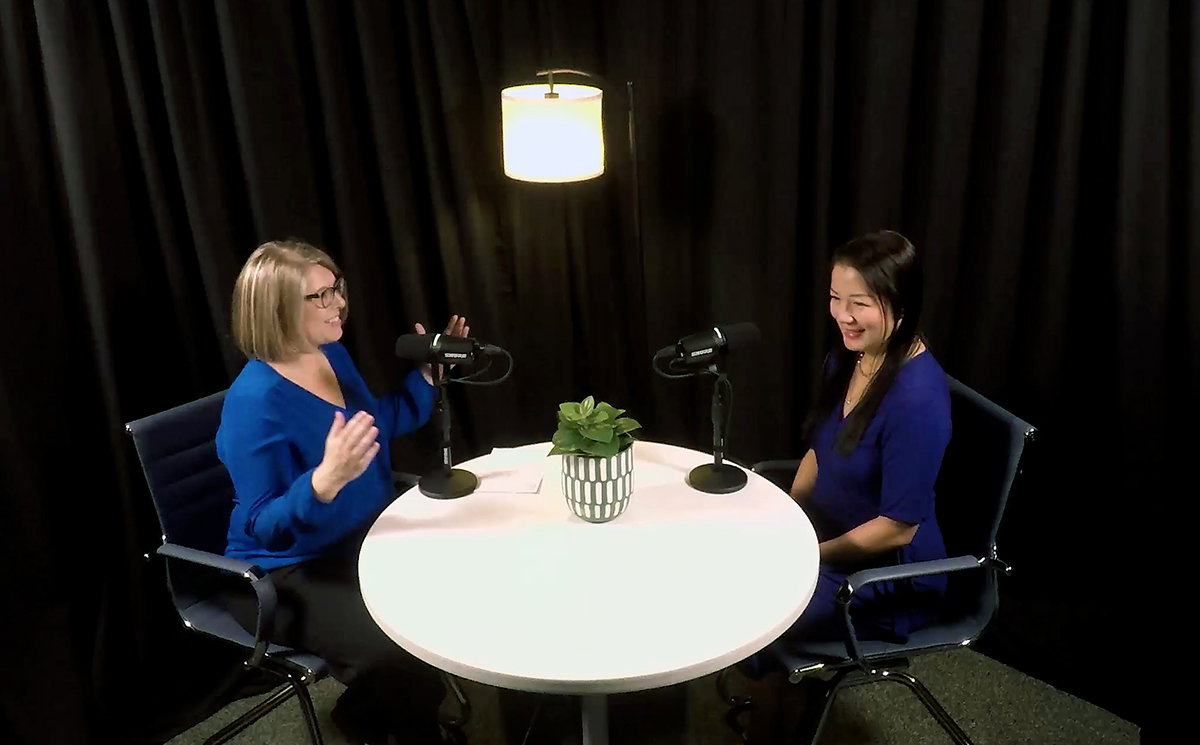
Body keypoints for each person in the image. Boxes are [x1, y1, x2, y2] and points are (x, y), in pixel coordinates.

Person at [216, 239, 469, 745]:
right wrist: (321, 483)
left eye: (337, 289)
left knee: (451, 594)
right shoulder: (253, 402)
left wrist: (426, 377)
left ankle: (368, 711)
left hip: (359, 539)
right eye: (320, 297)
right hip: (285, 570)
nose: (338, 305)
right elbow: (261, 521)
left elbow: (377, 424)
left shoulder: (331, 353)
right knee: (399, 645)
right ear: (278, 309)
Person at [746, 230, 951, 742]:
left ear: (900, 304)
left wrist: (808, 554)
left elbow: (898, 530)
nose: (842, 315)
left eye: (859, 303)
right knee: (740, 573)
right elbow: (819, 449)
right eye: (836, 298)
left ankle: (770, 727)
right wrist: (786, 521)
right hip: (830, 541)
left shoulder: (918, 399)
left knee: (763, 612)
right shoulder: (848, 358)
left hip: (887, 574)